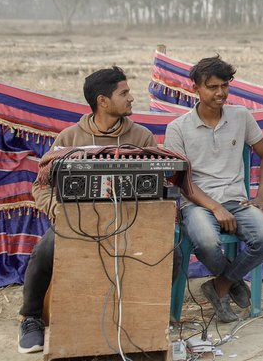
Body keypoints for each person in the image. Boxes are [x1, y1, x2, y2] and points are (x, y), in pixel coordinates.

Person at [18, 66, 156, 354]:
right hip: (76, 222)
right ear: (102, 101)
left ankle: (151, 318)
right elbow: (41, 185)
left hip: (130, 222)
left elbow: (159, 182)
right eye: (124, 93)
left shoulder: (141, 137)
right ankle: (30, 318)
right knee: (44, 251)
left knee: (173, 252)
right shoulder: (69, 138)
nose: (131, 98)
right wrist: (55, 207)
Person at [164, 56, 263, 323]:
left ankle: (220, 285)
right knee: (205, 241)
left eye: (224, 86)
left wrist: (260, 199)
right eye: (212, 87)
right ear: (196, 88)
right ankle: (233, 283)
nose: (220, 93)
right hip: (198, 204)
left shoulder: (241, 116)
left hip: (237, 201)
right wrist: (215, 208)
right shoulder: (177, 128)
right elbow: (181, 181)